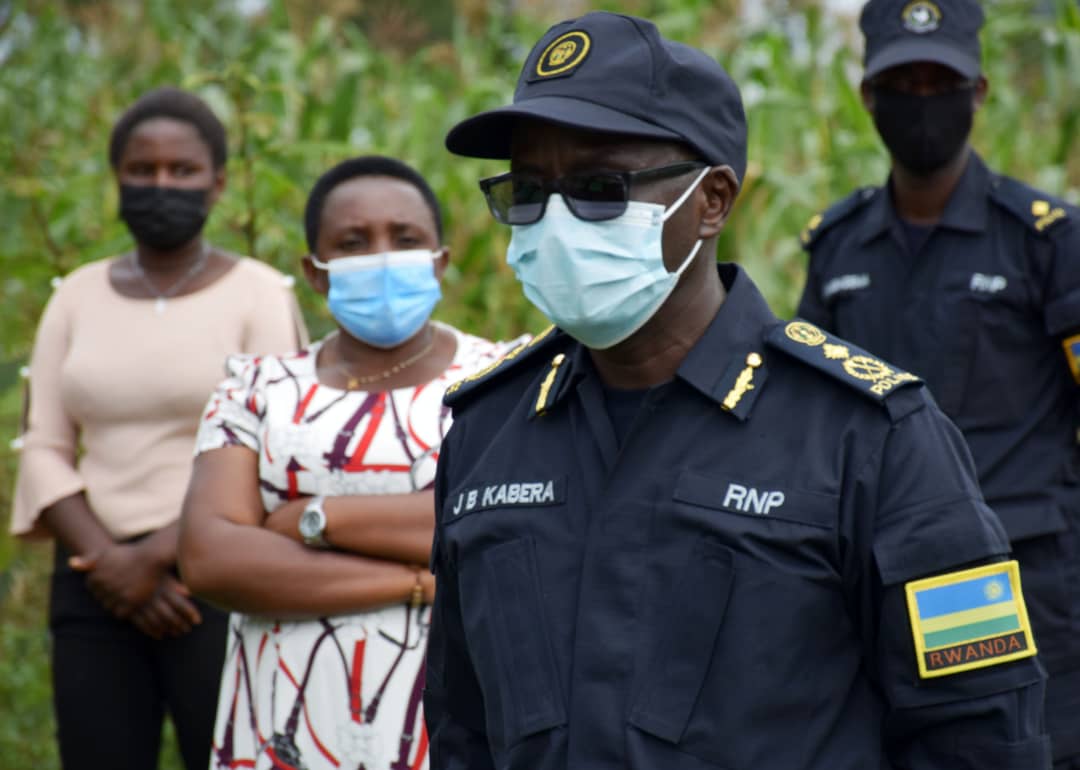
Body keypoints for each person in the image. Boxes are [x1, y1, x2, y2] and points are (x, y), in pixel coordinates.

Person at [424, 10, 1052, 770]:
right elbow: (463, 729)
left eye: (598, 187)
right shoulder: (490, 431)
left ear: (712, 200)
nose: (555, 221)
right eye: (527, 192)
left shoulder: (872, 438)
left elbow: (980, 737)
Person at [796, 2, 1080, 766]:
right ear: (867, 95)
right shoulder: (838, 246)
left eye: (939, 81)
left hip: (1026, 581)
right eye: (902, 82)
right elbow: (810, 418)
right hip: (882, 582)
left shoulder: (1046, 240)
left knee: (1021, 751)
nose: (922, 100)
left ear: (979, 90)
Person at [177, 155, 525, 770]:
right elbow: (211, 557)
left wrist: (315, 518)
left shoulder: (501, 380)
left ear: (441, 260)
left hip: (450, 727)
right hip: (281, 723)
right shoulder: (255, 388)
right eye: (353, 242)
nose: (383, 255)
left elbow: (499, 528)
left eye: (406, 238)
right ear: (316, 272)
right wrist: (421, 583)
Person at [9, 86, 307, 770]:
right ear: (117, 179)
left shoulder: (260, 295)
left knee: (231, 754)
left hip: (221, 577)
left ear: (218, 183)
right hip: (92, 581)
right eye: (142, 171)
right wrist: (111, 564)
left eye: (182, 171)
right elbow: (45, 445)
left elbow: (278, 450)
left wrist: (153, 560)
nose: (160, 185)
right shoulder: (74, 297)